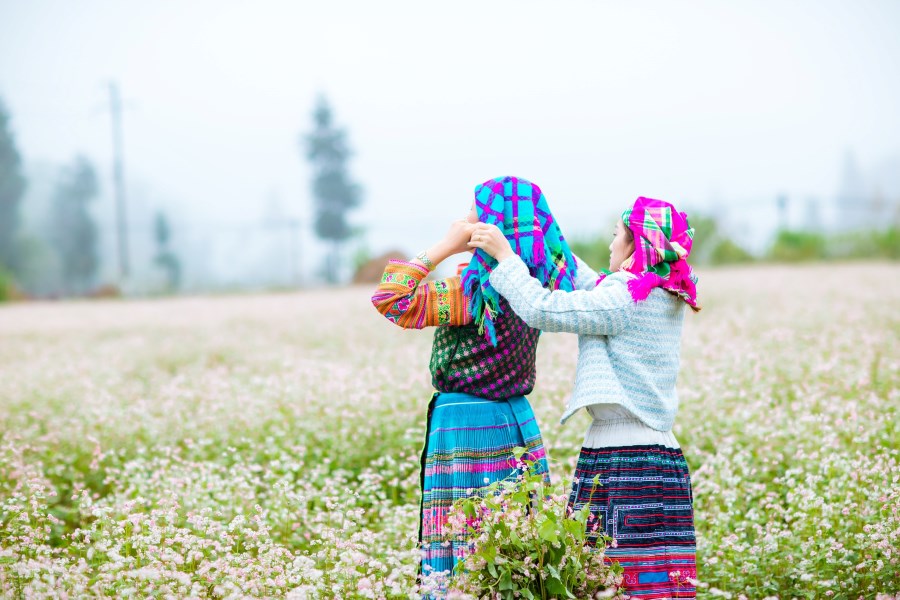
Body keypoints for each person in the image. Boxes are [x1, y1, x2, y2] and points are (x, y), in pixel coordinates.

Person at [469, 196, 700, 599]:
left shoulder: (626, 297)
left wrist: (507, 258)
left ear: (634, 247)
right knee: (654, 580)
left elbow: (544, 308)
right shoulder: (660, 291)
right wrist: (547, 237)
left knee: (614, 581)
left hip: (626, 459)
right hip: (653, 453)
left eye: (616, 236)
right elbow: (589, 282)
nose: (611, 245)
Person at [370, 175, 578, 580]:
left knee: (467, 543)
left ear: (489, 225)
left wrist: (445, 246)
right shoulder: (539, 284)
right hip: (517, 423)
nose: (464, 218)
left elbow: (391, 299)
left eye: (473, 211)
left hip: (465, 426)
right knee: (514, 542)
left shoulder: (472, 292)